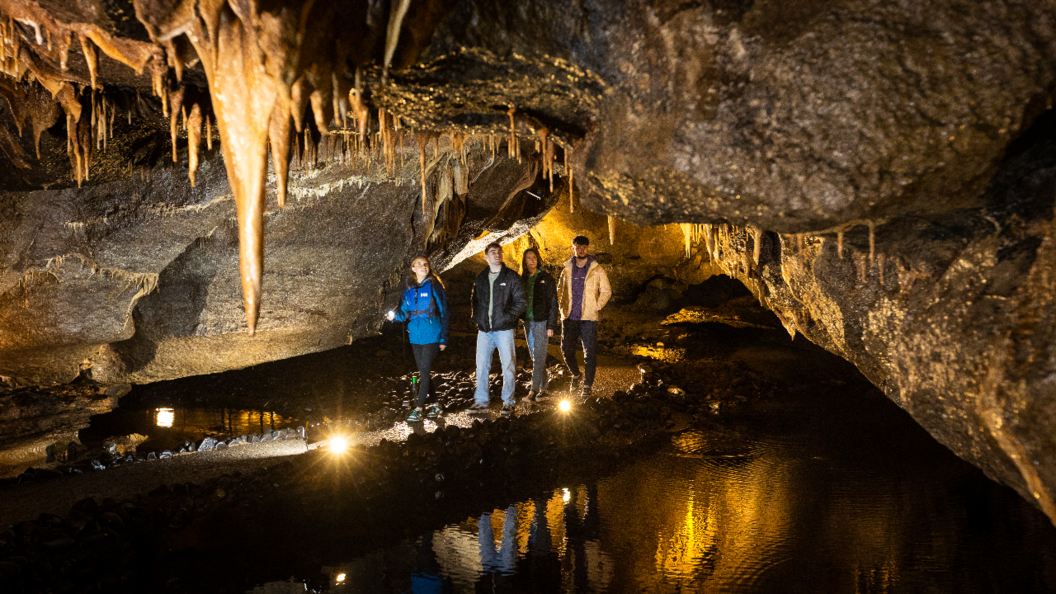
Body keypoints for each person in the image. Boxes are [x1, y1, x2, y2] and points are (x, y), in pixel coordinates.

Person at [387, 255, 450, 422]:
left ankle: (419, 408)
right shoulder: (408, 289)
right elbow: (403, 313)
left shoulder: (434, 286)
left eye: (425, 264)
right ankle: (436, 404)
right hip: (415, 337)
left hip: (432, 334)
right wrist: (393, 317)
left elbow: (444, 313)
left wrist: (444, 338)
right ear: (413, 269)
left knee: (424, 370)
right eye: (419, 264)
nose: (423, 266)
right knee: (424, 371)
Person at [471, 242, 527, 417]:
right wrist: (477, 318)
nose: (497, 254)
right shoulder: (480, 278)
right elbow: (475, 301)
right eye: (493, 252)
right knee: (481, 366)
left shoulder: (511, 277)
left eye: (499, 252)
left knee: (508, 365)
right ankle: (481, 401)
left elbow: (521, 302)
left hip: (504, 329)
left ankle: (508, 402)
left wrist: (507, 318)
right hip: (485, 330)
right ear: (486, 256)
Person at [557, 235, 611, 399]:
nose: (581, 250)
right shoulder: (566, 268)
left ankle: (587, 385)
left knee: (590, 353)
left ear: (588, 249)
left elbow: (606, 291)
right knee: (566, 350)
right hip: (570, 318)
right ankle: (576, 375)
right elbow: (559, 290)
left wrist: (596, 306)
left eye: (584, 247)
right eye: (578, 247)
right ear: (573, 248)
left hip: (588, 318)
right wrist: (562, 309)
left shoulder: (597, 269)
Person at [520, 247, 558, 402]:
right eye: (529, 258)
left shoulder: (546, 278)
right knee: (536, 356)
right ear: (525, 261)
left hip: (541, 322)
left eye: (534, 257)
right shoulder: (522, 279)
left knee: (538, 356)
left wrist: (551, 325)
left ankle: (533, 391)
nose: (532, 260)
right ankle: (544, 390)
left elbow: (553, 303)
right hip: (527, 322)